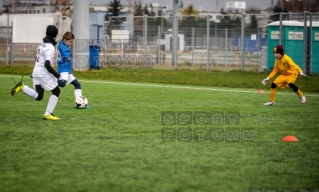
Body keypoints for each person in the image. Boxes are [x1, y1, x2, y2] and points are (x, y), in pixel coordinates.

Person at [11, 25, 61, 120]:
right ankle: (47, 114)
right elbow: (47, 64)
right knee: (56, 91)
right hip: (43, 73)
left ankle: (23, 87)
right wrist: (57, 75)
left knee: (39, 96)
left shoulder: (42, 43)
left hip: (36, 71)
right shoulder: (50, 47)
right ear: (55, 35)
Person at [56, 31, 90, 109]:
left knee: (77, 85)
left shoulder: (64, 45)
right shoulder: (62, 46)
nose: (71, 43)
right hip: (63, 69)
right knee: (62, 84)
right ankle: (49, 79)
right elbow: (67, 57)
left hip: (67, 70)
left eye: (72, 42)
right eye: (70, 41)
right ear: (65, 39)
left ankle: (79, 102)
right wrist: (70, 57)